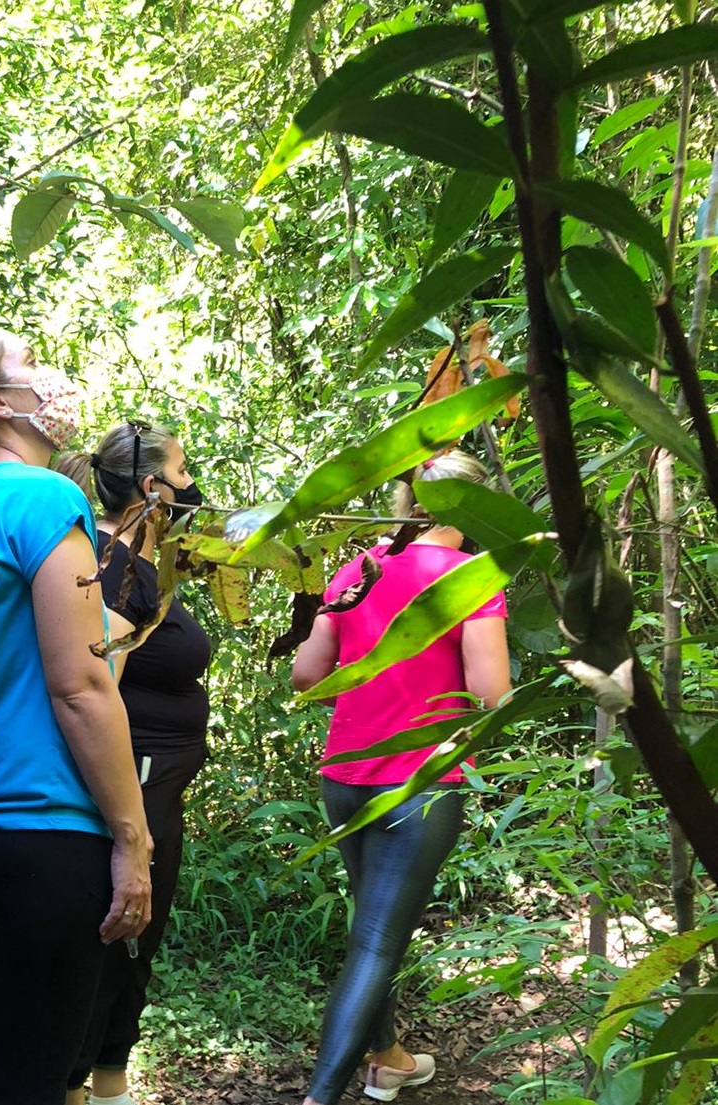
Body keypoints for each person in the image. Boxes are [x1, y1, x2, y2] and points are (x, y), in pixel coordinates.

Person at [0, 322, 154, 1105]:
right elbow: (80, 686)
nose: (49, 376)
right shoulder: (44, 495)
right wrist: (131, 833)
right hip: (45, 827)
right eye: (30, 364)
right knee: (31, 1079)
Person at [290, 450, 512, 1105]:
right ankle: (319, 1097)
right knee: (378, 940)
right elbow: (490, 689)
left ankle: (386, 1060)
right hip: (420, 783)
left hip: (345, 774)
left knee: (371, 928)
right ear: (471, 510)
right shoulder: (471, 575)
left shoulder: (358, 567)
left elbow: (307, 673)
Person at [56, 422, 212, 1105]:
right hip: (132, 787)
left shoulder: (142, 564)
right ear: (151, 487)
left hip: (156, 788)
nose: (190, 484)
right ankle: (70, 1087)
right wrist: (127, 824)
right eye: (181, 471)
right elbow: (95, 679)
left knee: (133, 953)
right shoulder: (112, 566)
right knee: (111, 951)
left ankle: (110, 1082)